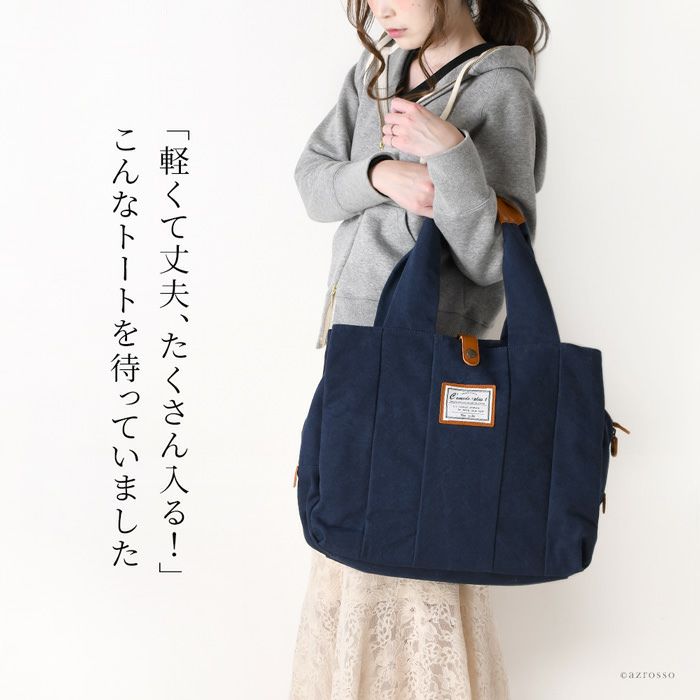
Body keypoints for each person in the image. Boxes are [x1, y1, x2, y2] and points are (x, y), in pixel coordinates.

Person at [290, 1, 549, 697]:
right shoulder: (377, 72)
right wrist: (380, 174)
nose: (381, 12)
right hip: (355, 350)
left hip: (431, 365)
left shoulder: (501, 90)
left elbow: (494, 257)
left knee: (413, 558)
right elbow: (313, 182)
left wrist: (452, 153)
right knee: (346, 543)